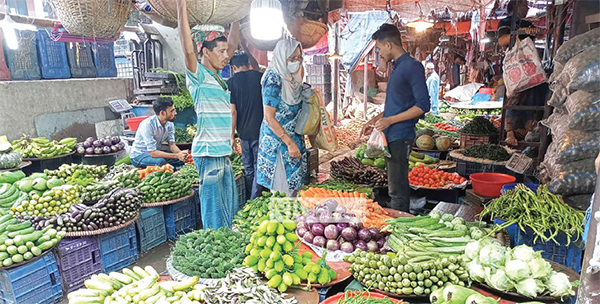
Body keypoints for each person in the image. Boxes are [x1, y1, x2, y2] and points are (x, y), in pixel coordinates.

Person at [176, 0, 240, 229]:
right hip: (208, 152)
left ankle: (227, 245)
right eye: (221, 52)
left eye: (226, 51)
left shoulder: (218, 77)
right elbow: (187, 48)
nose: (226, 56)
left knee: (229, 207)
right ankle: (216, 247)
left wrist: (237, 14)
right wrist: (181, 8)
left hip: (222, 151)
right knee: (214, 211)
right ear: (205, 52)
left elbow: (233, 43)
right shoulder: (198, 76)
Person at [360, 24, 430, 212]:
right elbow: (397, 104)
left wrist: (390, 121)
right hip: (391, 136)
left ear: (389, 45)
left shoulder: (412, 67)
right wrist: (375, 120)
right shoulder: (398, 67)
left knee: (397, 190)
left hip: (400, 136)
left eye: (379, 48)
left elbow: (423, 106)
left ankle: (399, 230)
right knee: (394, 187)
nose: (380, 53)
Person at [256, 39, 308, 196]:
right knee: (282, 193)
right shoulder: (273, 78)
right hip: (278, 143)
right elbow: (269, 117)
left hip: (293, 139)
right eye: (292, 58)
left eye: (299, 58)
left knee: (295, 190)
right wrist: (289, 143)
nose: (296, 62)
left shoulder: (291, 78)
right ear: (281, 57)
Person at [497, 0, 546, 146]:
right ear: (516, 6)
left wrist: (537, 32)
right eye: (524, 5)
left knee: (534, 94)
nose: (527, 8)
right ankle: (510, 133)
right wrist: (519, 32)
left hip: (529, 68)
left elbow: (540, 36)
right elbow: (502, 41)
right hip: (515, 68)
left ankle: (527, 128)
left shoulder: (527, 23)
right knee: (515, 97)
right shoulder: (506, 22)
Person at [227, 52, 267, 200]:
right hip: (259, 129)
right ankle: (254, 197)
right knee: (258, 165)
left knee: (248, 167)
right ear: (248, 63)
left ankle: (251, 198)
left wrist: (232, 136)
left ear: (234, 67)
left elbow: (233, 111)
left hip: (243, 132)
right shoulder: (258, 77)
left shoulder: (231, 83)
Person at [130, 97, 189, 169]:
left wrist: (181, 154)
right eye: (172, 111)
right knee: (160, 162)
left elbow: (172, 145)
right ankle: (173, 169)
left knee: (179, 161)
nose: (175, 113)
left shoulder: (169, 124)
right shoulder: (147, 125)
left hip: (155, 153)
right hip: (139, 156)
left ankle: (173, 168)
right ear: (162, 113)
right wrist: (176, 155)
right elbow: (153, 153)